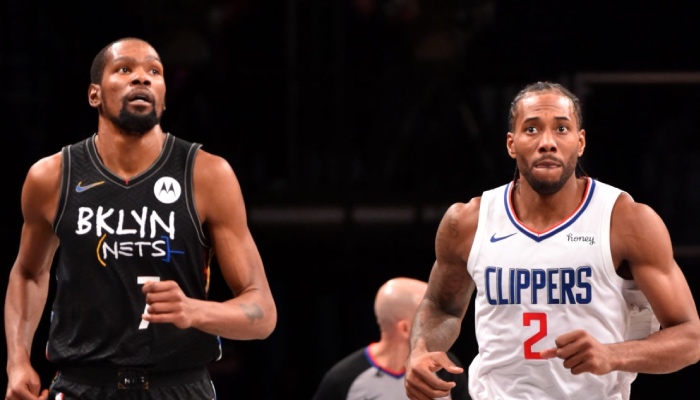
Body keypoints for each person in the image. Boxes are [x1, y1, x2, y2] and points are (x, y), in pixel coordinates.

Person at [4, 37, 277, 400]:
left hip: (178, 385)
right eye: (124, 69)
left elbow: (262, 312)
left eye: (154, 71)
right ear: (94, 95)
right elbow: (28, 273)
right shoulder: (52, 176)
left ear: (163, 99)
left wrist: (194, 311)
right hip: (83, 385)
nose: (142, 78)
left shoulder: (208, 175)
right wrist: (18, 360)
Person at [403, 81, 700, 399]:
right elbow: (441, 307)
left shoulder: (625, 220)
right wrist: (420, 350)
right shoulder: (467, 221)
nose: (547, 142)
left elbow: (690, 338)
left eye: (561, 128)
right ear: (511, 144)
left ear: (580, 141)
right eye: (531, 129)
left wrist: (613, 355)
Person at [312, 277, 470, 400]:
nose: (443, 325)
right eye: (431, 317)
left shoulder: (446, 367)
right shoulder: (343, 379)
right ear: (405, 328)